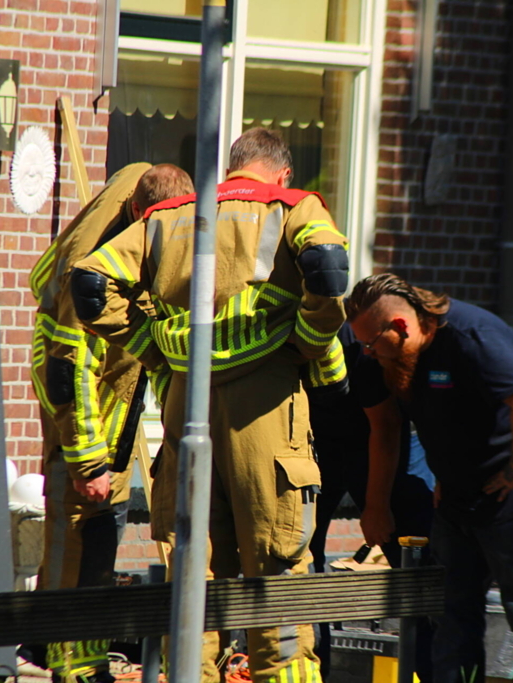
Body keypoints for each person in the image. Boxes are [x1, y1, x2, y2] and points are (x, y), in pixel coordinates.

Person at [70, 128, 348, 683]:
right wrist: (306, 339)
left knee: (193, 574)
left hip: (184, 402)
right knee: (276, 568)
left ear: (233, 166)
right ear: (282, 173)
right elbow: (328, 267)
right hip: (265, 408)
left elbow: (91, 284)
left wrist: (152, 346)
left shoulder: (170, 215)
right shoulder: (296, 207)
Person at [29, 162, 194, 683]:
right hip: (79, 391)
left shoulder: (141, 180)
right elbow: (67, 370)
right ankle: (68, 661)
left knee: (106, 526)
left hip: (109, 383)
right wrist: (87, 460)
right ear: (141, 217)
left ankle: (76, 649)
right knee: (82, 524)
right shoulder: (92, 273)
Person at [344, 273, 513, 683]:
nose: (366, 353)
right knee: (451, 616)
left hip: (509, 503)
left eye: (370, 343)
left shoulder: (473, 336)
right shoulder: (400, 359)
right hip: (453, 503)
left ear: (400, 327)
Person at [307, 323, 435, 681]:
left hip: (382, 440)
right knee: (298, 557)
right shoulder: (279, 333)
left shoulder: (361, 350)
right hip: (316, 446)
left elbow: (386, 427)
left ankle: (437, 672)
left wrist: (377, 506)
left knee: (416, 560)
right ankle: (316, 670)